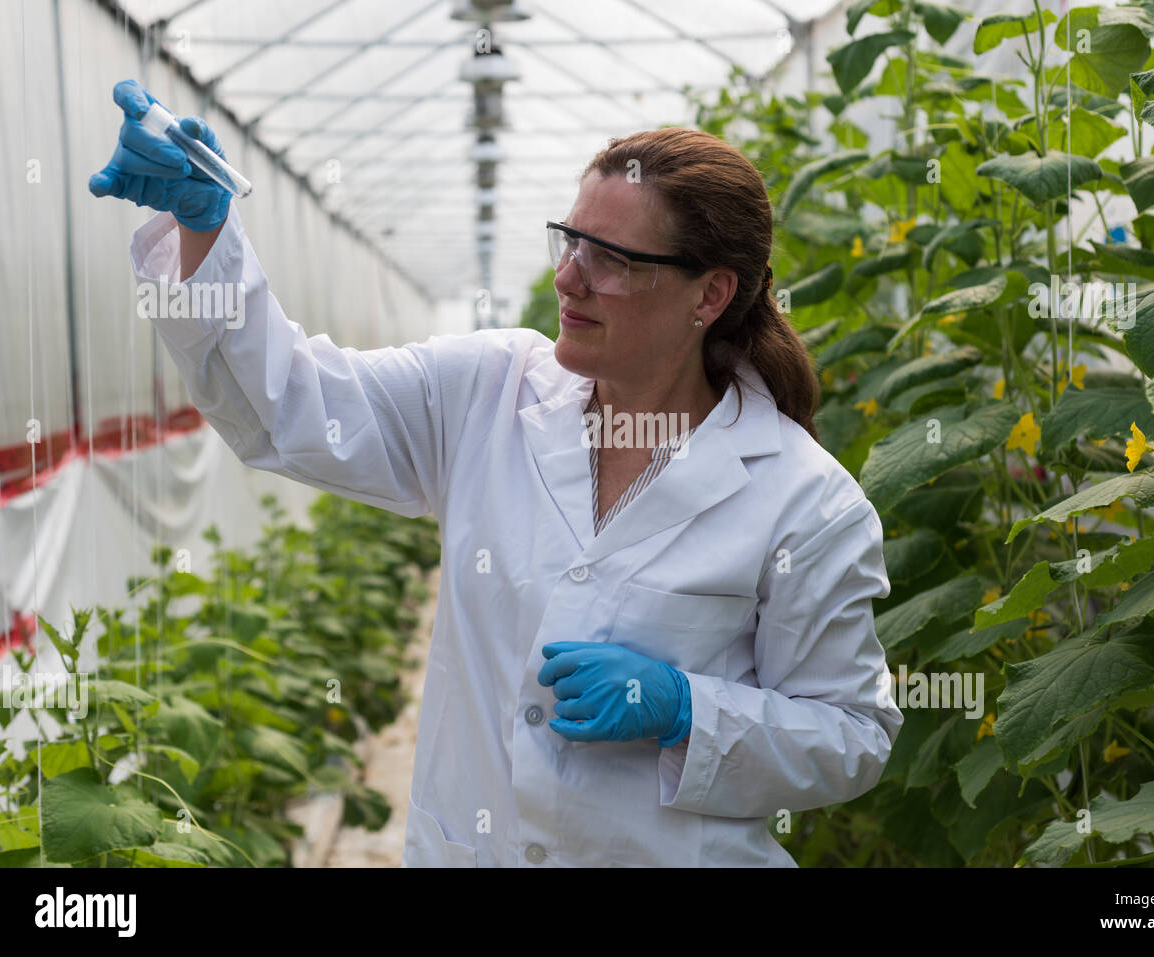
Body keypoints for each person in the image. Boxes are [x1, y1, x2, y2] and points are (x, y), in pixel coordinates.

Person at [91, 78, 902, 867]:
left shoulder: (804, 500)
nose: (568, 276)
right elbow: (286, 407)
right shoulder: (489, 391)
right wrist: (207, 233)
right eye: (570, 240)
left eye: (611, 259)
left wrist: (691, 711)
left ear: (710, 294)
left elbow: (852, 733)